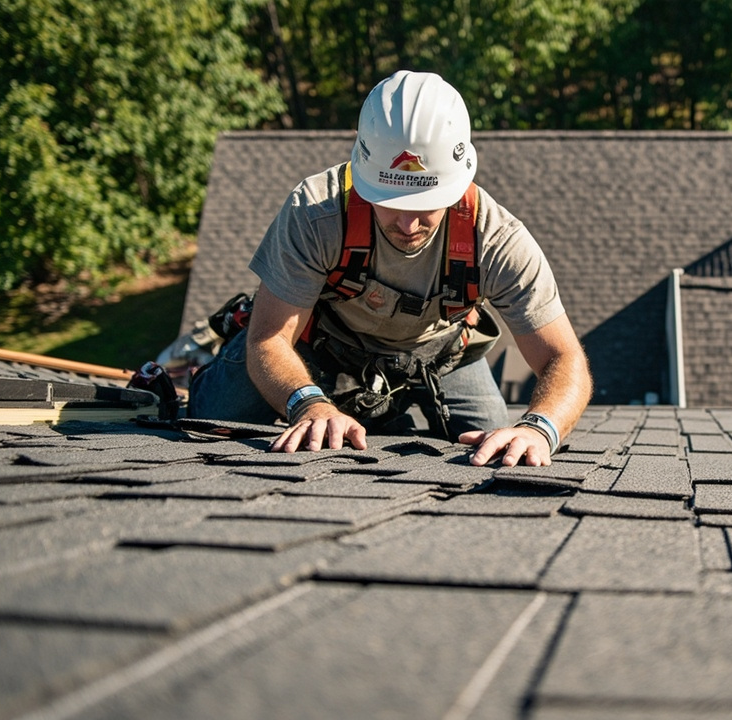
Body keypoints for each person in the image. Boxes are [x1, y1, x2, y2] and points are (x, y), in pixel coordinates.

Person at [188, 70, 591, 465]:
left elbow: (564, 358)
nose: (408, 224)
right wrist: (307, 405)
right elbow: (269, 338)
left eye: (426, 204)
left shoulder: (496, 239)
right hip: (319, 345)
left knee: (496, 444)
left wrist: (540, 428)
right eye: (390, 201)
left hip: (438, 354)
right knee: (217, 417)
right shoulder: (316, 214)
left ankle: (382, 415)